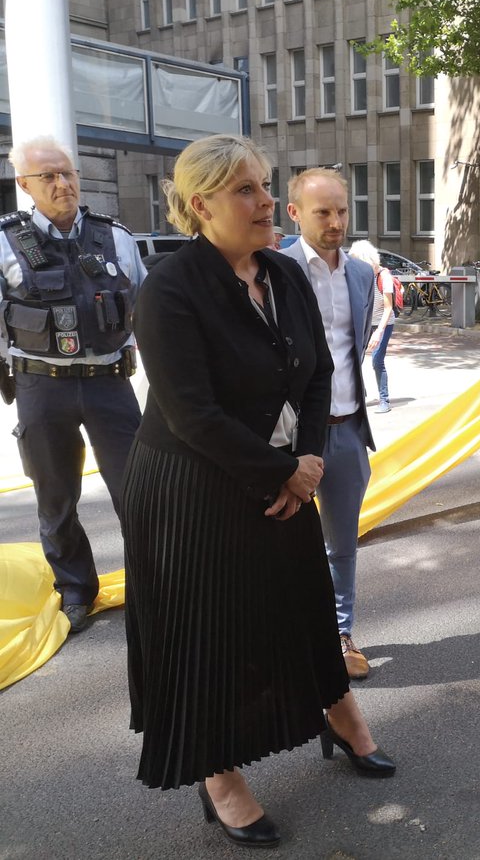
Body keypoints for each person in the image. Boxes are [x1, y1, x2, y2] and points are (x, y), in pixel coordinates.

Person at [123, 135, 393, 849]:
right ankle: (220, 775)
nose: (267, 201)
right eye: (247, 190)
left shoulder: (282, 271)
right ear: (200, 204)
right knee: (211, 633)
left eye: (266, 186)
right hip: (191, 487)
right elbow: (192, 413)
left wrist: (305, 458)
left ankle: (342, 717)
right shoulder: (171, 288)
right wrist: (287, 474)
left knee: (303, 606)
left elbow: (316, 373)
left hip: (280, 472)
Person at [0, 135, 145, 634]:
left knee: (140, 491)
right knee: (55, 497)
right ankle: (77, 590)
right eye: (48, 176)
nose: (63, 184)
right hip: (42, 387)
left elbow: (145, 308)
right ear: (24, 184)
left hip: (110, 384)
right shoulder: (4, 240)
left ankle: (153, 584)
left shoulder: (115, 238)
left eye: (68, 173)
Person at [282, 170, 378, 680]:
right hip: (286, 437)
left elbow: (352, 352)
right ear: (295, 213)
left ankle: (340, 636)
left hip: (346, 432)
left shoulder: (361, 274)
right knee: (279, 545)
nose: (337, 221)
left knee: (341, 545)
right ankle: (287, 637)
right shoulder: (274, 269)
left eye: (342, 210)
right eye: (324, 212)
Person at [348, 240, 395, 414]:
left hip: (383, 323)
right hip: (367, 323)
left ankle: (384, 399)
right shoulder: (361, 276)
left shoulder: (383, 276)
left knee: (377, 360)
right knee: (355, 359)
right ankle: (359, 395)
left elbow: (388, 308)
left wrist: (378, 333)